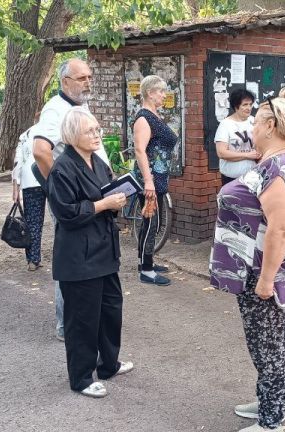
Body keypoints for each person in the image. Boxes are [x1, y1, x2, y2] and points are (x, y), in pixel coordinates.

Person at [210, 97, 285, 432]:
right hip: (253, 270)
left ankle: (272, 422)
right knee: (264, 343)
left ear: (270, 125)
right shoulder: (278, 160)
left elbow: (281, 226)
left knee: (270, 347)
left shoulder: (279, 166)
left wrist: (266, 281)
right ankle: (267, 401)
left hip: (263, 273)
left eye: (256, 121)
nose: (251, 126)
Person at [46, 107, 133, 398]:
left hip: (104, 249)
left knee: (111, 309)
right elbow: (66, 213)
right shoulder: (62, 168)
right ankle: (81, 378)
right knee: (82, 318)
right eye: (90, 131)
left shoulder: (97, 161)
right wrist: (104, 205)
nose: (97, 135)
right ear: (72, 135)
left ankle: (108, 363)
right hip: (78, 255)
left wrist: (116, 200)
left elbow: (105, 192)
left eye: (97, 129)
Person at [25, 58, 101, 341]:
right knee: (72, 261)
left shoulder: (79, 105)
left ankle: (82, 320)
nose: (87, 82)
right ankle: (66, 325)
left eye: (89, 77)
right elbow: (41, 151)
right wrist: (58, 190)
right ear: (64, 81)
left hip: (87, 195)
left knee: (87, 258)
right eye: (81, 78)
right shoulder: (56, 109)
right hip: (73, 200)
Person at [131, 75, 176, 286]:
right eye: (161, 92)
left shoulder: (154, 115)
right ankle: (146, 270)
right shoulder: (143, 118)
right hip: (149, 179)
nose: (164, 95)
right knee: (152, 222)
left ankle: (145, 262)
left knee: (151, 222)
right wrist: (148, 181)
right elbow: (139, 150)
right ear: (150, 93)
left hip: (157, 177)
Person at [12, 126, 46, 272]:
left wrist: (16, 187)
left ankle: (33, 259)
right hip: (50, 177)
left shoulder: (25, 134)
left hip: (30, 180)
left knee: (33, 221)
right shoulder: (52, 131)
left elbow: (17, 162)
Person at [214, 89, 259, 186]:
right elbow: (221, 152)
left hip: (252, 176)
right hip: (231, 179)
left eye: (250, 104)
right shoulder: (226, 124)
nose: (249, 108)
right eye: (245, 105)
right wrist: (247, 155)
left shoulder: (254, 121)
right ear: (236, 106)